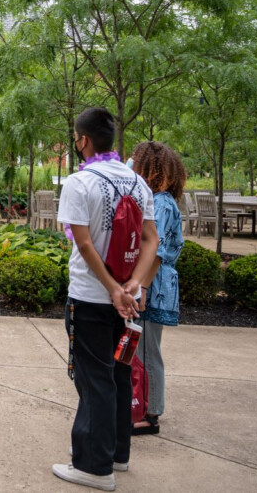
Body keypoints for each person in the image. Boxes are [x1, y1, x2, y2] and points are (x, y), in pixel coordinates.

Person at [52, 108, 158, 491]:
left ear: (82, 140)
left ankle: (94, 467)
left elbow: (82, 242)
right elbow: (151, 239)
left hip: (91, 298)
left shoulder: (80, 182)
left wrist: (113, 288)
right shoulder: (137, 181)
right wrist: (134, 284)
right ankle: (117, 453)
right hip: (128, 302)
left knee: (94, 377)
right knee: (118, 373)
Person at [128, 141, 186, 437]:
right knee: (143, 348)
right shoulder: (159, 201)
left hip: (155, 283)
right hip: (154, 281)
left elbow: (157, 250)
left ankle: (151, 414)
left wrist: (143, 287)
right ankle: (142, 406)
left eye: (136, 163)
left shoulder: (161, 203)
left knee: (149, 351)